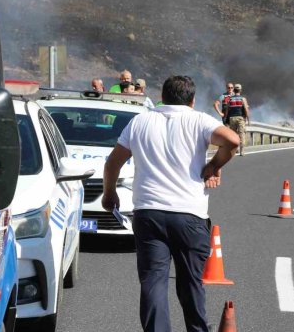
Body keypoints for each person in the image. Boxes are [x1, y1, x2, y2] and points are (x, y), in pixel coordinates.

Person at [102, 76, 239, 332]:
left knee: (153, 282)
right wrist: (214, 165)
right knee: (190, 284)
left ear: (161, 96)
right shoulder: (198, 120)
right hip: (190, 216)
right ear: (192, 100)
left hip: (149, 213)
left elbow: (112, 163)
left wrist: (109, 194)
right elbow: (232, 140)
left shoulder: (140, 121)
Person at [225, 83, 250, 156]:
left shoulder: (230, 99)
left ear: (234, 90)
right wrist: (248, 119)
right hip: (240, 118)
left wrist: (226, 118)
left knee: (234, 135)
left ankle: (236, 149)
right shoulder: (243, 99)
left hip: (232, 118)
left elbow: (227, 109)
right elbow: (246, 109)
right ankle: (242, 151)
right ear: (240, 90)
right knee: (241, 134)